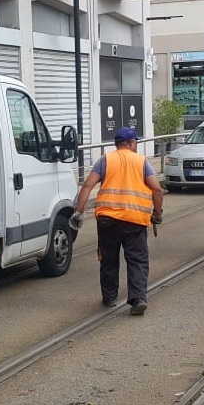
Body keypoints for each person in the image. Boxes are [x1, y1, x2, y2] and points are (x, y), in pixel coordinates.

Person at [71, 127, 164, 315]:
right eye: (135, 142)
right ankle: (138, 298)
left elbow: (88, 185)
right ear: (130, 143)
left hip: (108, 220)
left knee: (108, 260)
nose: (136, 145)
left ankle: (109, 297)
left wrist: (78, 212)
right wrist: (157, 213)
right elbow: (157, 189)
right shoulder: (142, 162)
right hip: (135, 221)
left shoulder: (105, 160)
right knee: (137, 260)